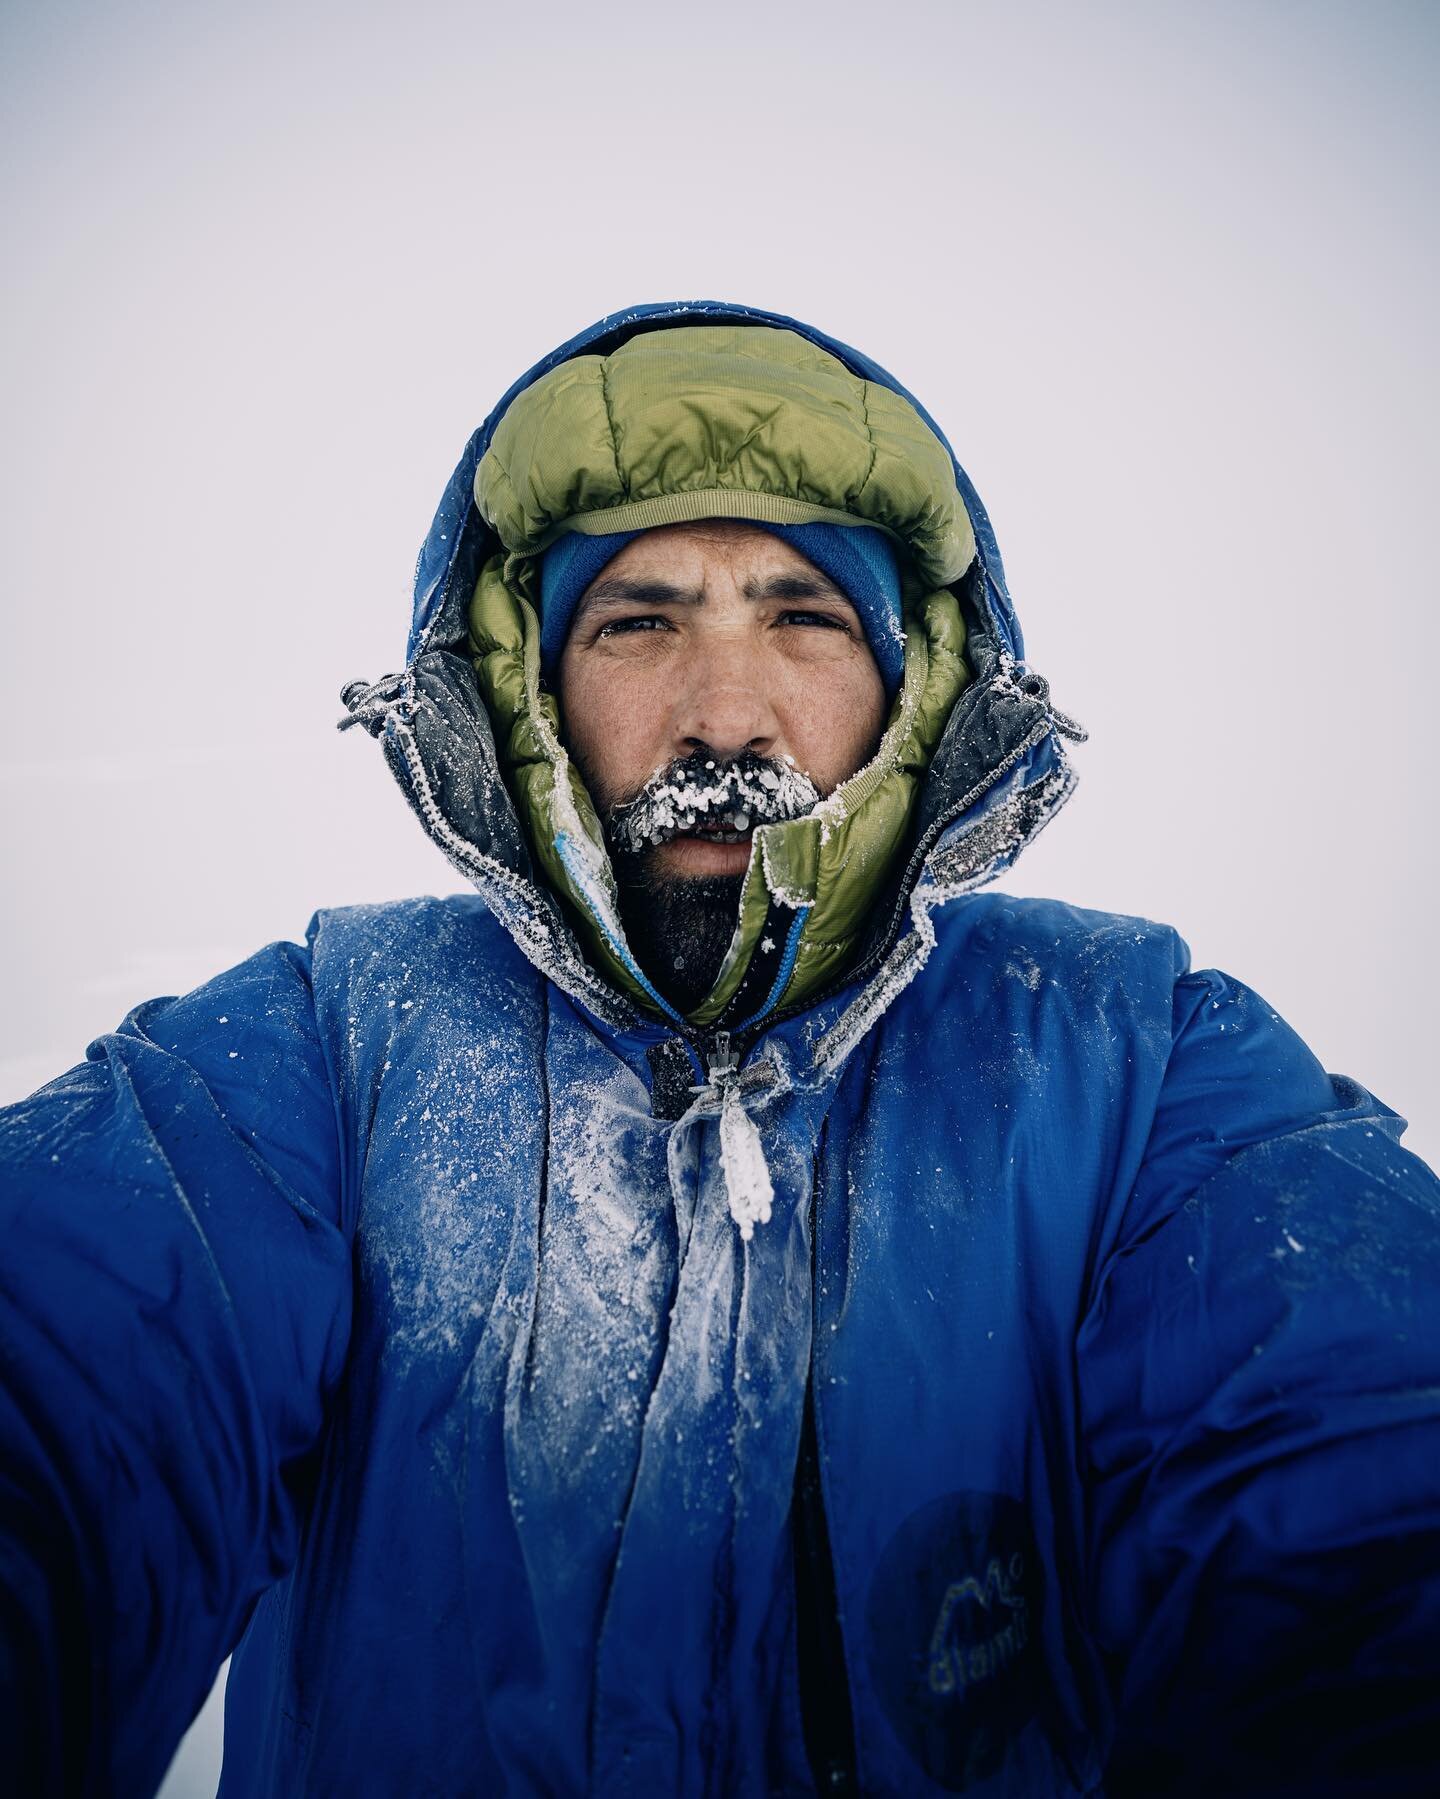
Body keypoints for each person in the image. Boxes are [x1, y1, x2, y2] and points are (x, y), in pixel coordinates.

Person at [2, 301, 1437, 1799]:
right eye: (638, 621)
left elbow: (1357, 1489)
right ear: (529, 691)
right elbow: (67, 1378)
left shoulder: (1134, 1059)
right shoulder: (327, 1041)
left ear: (914, 686)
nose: (722, 718)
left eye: (805, 618)